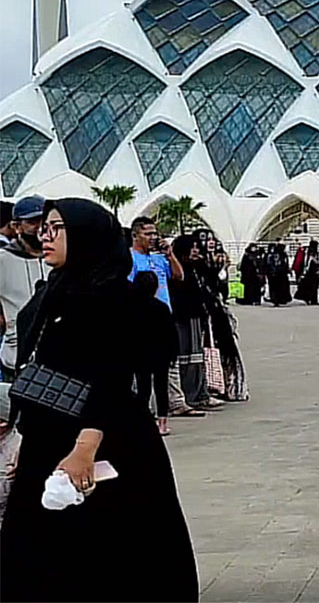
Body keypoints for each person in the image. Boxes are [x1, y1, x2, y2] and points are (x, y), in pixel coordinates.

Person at [0, 198, 198, 601]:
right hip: (51, 440)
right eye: (45, 227)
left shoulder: (110, 299)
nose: (45, 236)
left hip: (102, 441)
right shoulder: (56, 290)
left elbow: (112, 376)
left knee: (109, 553)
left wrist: (85, 446)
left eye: (57, 228)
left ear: (87, 235)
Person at [0, 196, 49, 383]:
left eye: (43, 221)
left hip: (55, 362)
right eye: (32, 222)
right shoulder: (3, 258)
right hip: (15, 360)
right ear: (16, 226)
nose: (40, 227)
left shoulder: (57, 257)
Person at [169, 235, 218, 411]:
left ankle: (201, 392)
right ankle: (189, 395)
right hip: (182, 316)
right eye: (193, 247)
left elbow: (212, 282)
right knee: (186, 356)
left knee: (198, 355)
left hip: (197, 315)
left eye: (198, 247)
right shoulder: (178, 269)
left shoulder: (198, 268)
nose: (196, 251)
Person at [131, 271, 177, 436]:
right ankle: (162, 423)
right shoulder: (161, 308)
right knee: (161, 387)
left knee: (143, 389)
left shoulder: (131, 308)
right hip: (161, 353)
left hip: (139, 354)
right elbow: (172, 333)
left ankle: (143, 422)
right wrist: (173, 353)